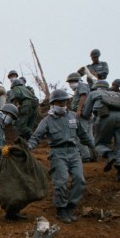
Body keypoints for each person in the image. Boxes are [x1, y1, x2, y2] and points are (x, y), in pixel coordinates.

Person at [27, 88, 96, 223]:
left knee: (79, 179)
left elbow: (82, 134)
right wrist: (28, 147)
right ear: (53, 104)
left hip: (74, 152)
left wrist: (93, 147)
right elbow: (36, 136)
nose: (62, 105)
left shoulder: (72, 117)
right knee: (61, 181)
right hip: (57, 153)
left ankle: (71, 206)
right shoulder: (47, 120)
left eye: (64, 103)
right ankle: (61, 209)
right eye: (59, 103)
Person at [87, 80, 120, 181]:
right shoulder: (117, 95)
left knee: (99, 144)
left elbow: (86, 112)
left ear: (95, 87)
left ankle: (110, 154)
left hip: (104, 117)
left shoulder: (93, 93)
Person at [67, 72, 94, 161]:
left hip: (82, 115)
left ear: (77, 81)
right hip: (86, 115)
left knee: (80, 136)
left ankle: (85, 156)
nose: (70, 85)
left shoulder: (81, 86)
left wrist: (79, 109)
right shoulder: (80, 88)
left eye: (71, 82)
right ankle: (93, 155)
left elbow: (83, 96)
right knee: (89, 136)